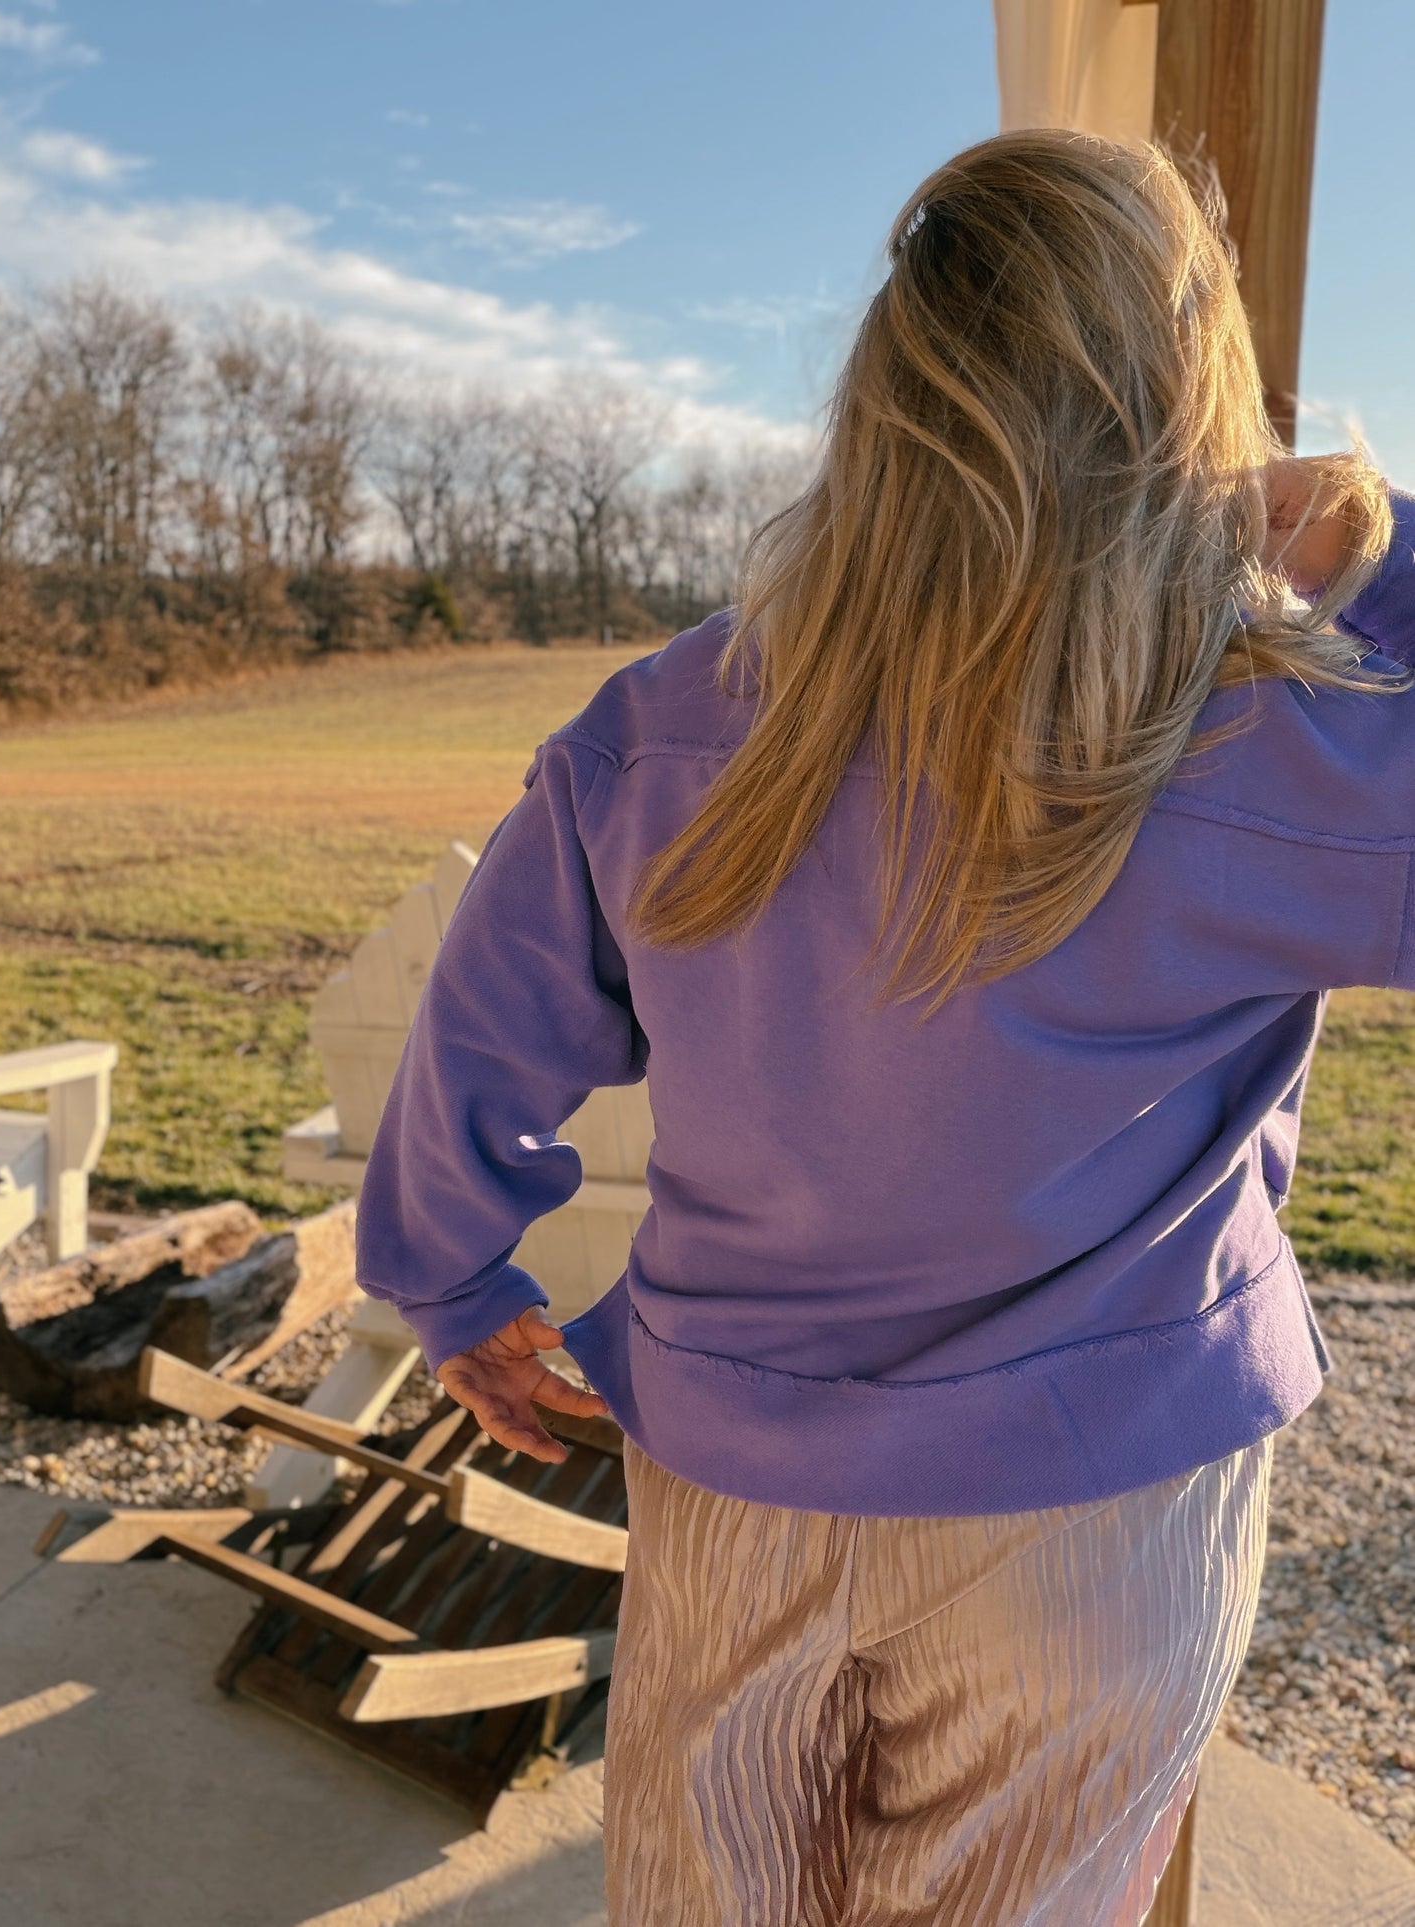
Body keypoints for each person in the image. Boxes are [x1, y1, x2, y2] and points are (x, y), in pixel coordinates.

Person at [356, 130, 1415, 1925]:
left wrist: (449, 1279)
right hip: (1101, 1505)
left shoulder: (682, 720)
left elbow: (485, 1024)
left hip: (733, 1474)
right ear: (1194, 404)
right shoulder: (1267, 745)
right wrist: (1358, 552)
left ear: (888, 395)